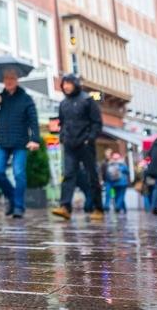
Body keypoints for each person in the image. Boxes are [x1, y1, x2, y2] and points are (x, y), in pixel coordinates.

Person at [0, 68, 41, 220]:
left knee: (18, 173)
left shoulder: (25, 99)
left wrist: (35, 139)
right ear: (3, 81)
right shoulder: (0, 98)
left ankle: (18, 207)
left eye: (11, 78)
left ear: (17, 80)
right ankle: (12, 198)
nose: (8, 81)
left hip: (20, 142)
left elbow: (33, 121)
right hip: (2, 142)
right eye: (6, 78)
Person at [52, 74, 105, 220]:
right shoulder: (63, 104)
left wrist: (90, 138)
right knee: (68, 174)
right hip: (69, 144)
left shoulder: (87, 100)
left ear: (75, 84)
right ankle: (65, 207)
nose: (66, 86)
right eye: (64, 84)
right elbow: (62, 123)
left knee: (91, 175)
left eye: (69, 83)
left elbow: (97, 122)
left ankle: (98, 208)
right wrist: (62, 137)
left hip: (85, 144)